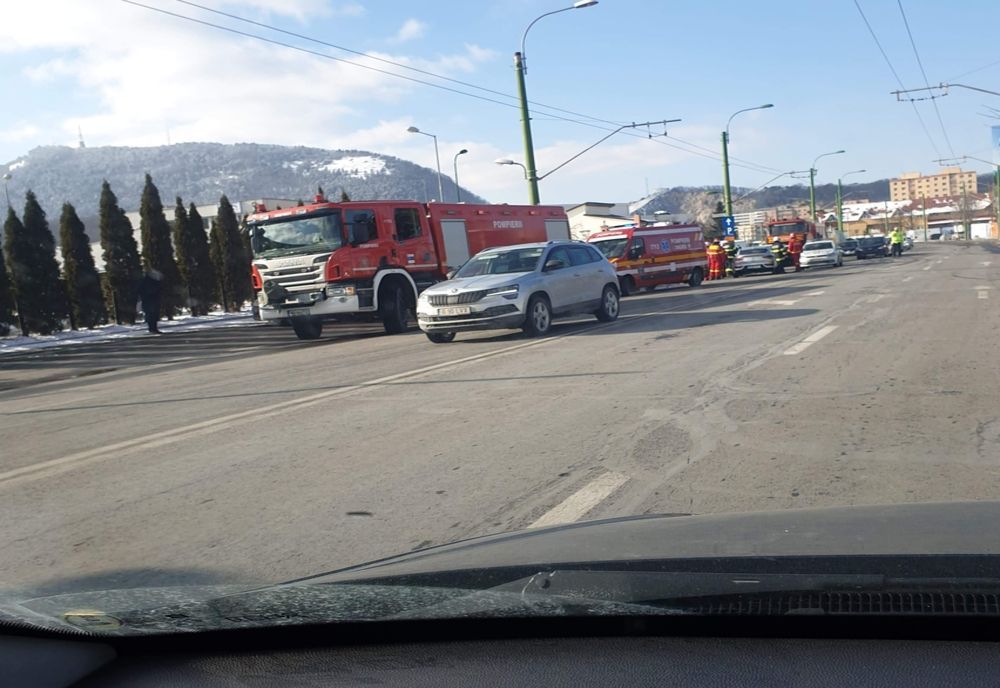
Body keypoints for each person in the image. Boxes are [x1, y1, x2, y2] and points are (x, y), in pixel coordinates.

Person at [137, 269, 164, 334]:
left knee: (151, 315)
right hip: (151, 300)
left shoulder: (144, 281)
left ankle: (152, 328)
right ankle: (153, 328)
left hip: (148, 300)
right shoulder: (151, 281)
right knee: (152, 315)